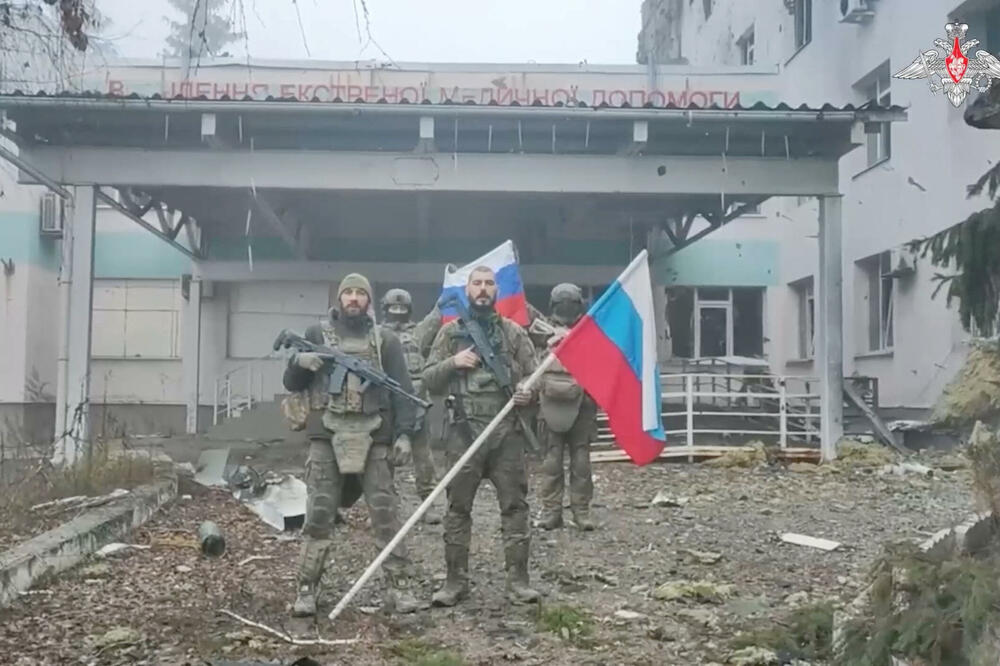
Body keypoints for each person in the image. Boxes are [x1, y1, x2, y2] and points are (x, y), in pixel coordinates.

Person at [280, 273, 421, 617]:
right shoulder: (317, 335)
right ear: (340, 298)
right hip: (326, 436)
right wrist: (299, 361)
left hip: (375, 436)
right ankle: (307, 588)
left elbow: (403, 391)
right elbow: (292, 383)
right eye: (349, 293)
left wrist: (404, 434)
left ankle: (400, 586)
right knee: (319, 514)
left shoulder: (385, 340)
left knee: (386, 513)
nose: (354, 298)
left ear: (369, 300)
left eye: (360, 293)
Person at [422, 266, 542, 607]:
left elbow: (536, 376)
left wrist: (528, 392)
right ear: (467, 290)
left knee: (515, 508)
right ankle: (454, 582)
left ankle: (518, 582)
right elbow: (428, 379)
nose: (483, 289)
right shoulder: (450, 334)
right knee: (457, 509)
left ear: (497, 291)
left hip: (507, 435)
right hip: (463, 433)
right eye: (477, 283)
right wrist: (453, 363)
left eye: (489, 283)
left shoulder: (513, 333)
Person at [534, 283, 597, 532]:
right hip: (549, 401)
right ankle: (554, 511)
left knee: (579, 462)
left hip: (582, 403)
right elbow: (530, 362)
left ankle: (579, 510)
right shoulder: (540, 331)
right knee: (553, 461)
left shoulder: (589, 331)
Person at [381, 287, 443, 525]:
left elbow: (435, 319)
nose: (398, 312)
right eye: (393, 308)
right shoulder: (376, 335)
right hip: (387, 408)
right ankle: (387, 507)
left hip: (416, 406)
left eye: (402, 308)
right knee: (383, 461)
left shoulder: (418, 333)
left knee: (424, 461)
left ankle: (428, 505)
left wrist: (447, 294)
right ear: (385, 309)